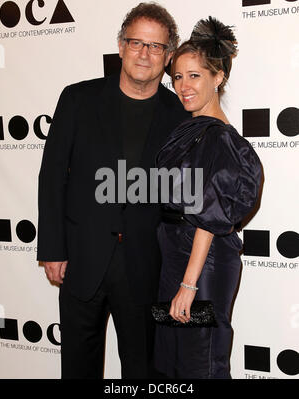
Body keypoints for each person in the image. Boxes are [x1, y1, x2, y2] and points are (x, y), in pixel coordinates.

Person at [37, 2, 188, 379]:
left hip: (146, 266)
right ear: (121, 46)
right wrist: (52, 248)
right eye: (136, 42)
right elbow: (53, 177)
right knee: (78, 366)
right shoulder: (77, 99)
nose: (144, 53)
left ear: (168, 56)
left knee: (144, 370)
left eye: (155, 47)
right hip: (81, 258)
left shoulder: (179, 114)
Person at [154, 16, 262, 379]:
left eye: (194, 75)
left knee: (201, 357)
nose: (183, 86)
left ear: (218, 78)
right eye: (178, 77)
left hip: (204, 263)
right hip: (176, 259)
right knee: (173, 356)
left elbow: (208, 218)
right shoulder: (192, 131)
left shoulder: (220, 139)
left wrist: (188, 284)